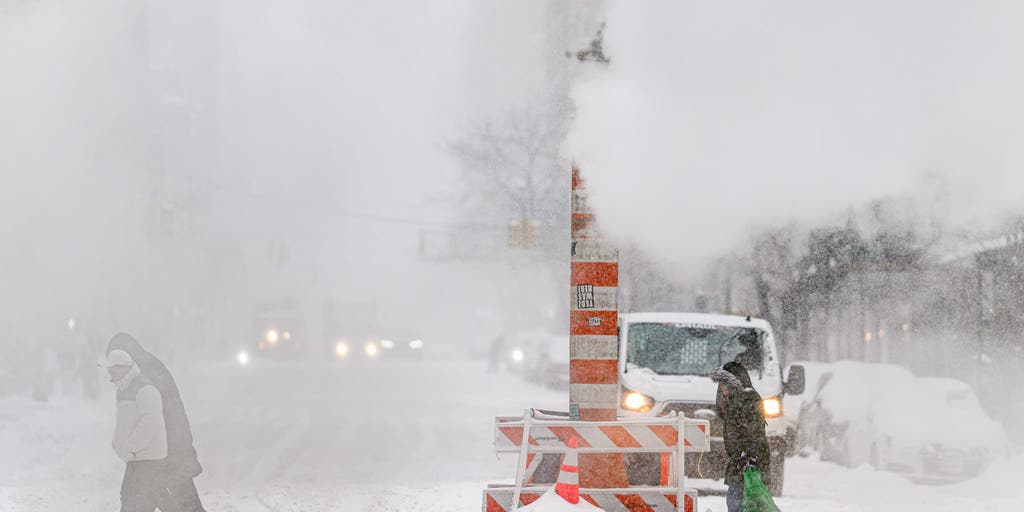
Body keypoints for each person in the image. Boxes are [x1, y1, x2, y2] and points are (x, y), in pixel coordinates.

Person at [107, 333, 205, 512]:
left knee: (177, 500)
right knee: (175, 500)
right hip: (159, 452)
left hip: (165, 451)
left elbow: (158, 415)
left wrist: (131, 444)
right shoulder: (144, 368)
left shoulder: (144, 373)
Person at [98, 349, 177, 511]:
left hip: (147, 457)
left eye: (111, 368)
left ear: (123, 368)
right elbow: (124, 421)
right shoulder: (123, 389)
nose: (109, 372)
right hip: (138, 456)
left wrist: (132, 445)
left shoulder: (145, 389)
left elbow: (151, 421)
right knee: (153, 495)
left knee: (131, 497)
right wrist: (116, 440)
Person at [712, 361, 771, 512]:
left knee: (740, 504)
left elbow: (753, 433)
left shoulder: (746, 400)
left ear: (733, 384)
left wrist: (748, 457)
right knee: (742, 504)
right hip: (742, 464)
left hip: (747, 465)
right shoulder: (738, 400)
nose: (721, 388)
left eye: (724, 384)